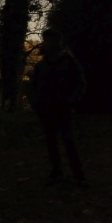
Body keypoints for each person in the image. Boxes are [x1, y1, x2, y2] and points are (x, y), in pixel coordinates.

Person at [29, 28, 87, 187]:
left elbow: (79, 84)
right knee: (54, 142)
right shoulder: (49, 63)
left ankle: (74, 174)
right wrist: (36, 102)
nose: (46, 43)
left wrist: (70, 101)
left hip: (61, 108)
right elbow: (35, 85)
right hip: (49, 108)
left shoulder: (64, 62)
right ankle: (65, 173)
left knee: (66, 141)